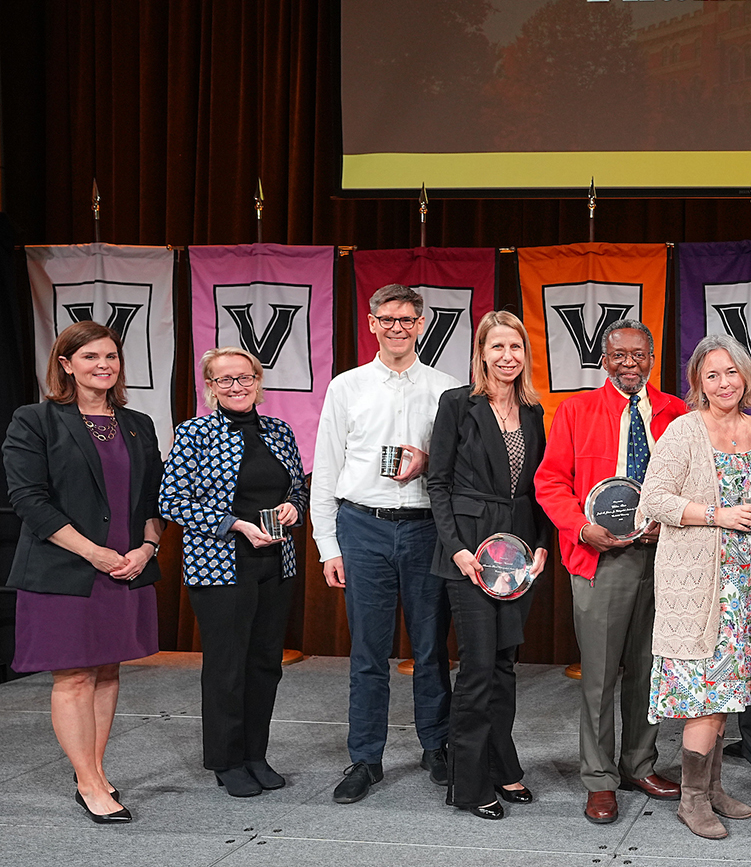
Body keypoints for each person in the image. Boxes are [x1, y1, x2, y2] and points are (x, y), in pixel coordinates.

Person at [4, 321, 164, 823]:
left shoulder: (138, 422)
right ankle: (90, 783)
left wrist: (147, 547)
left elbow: (153, 499)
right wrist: (93, 553)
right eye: (91, 356)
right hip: (64, 570)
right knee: (73, 675)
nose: (103, 365)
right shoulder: (35, 420)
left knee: (108, 670)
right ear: (66, 364)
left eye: (111, 357)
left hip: (125, 566)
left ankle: (91, 770)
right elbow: (28, 500)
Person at [534, 318, 687, 824]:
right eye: (619, 355)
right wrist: (581, 529)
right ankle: (599, 779)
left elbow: (690, 483)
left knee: (649, 668)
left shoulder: (675, 411)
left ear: (650, 358)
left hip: (663, 558)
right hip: (599, 558)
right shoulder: (576, 410)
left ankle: (639, 763)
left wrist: (669, 526)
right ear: (605, 359)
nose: (629, 364)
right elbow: (551, 482)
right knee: (599, 676)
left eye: (638, 355)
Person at [638, 335, 751, 840]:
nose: (723, 383)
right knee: (704, 697)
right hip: (702, 587)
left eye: (731, 373)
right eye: (711, 375)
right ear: (698, 385)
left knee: (728, 693)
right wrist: (717, 514)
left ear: (745, 377)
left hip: (750, 587)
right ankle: (693, 799)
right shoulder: (684, 431)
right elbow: (655, 499)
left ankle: (715, 788)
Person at [311, 284, 459, 804]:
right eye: (386, 319)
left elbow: (459, 469)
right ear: (371, 324)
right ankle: (365, 758)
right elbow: (327, 467)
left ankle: (436, 746)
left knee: (430, 649)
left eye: (407, 319)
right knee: (368, 653)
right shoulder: (345, 387)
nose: (397, 327)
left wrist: (429, 461)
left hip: (424, 528)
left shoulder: (447, 389)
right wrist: (327, 544)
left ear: (422, 324)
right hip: (362, 527)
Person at [159, 347, 307, 797]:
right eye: (225, 380)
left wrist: (292, 510)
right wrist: (236, 525)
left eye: (244, 378)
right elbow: (171, 501)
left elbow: (299, 487)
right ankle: (227, 760)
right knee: (228, 665)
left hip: (275, 563)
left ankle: (255, 754)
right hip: (220, 565)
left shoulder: (279, 431)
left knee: (265, 663)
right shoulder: (195, 433)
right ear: (211, 388)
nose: (237, 387)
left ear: (259, 382)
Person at [427, 311, 552, 820]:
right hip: (470, 553)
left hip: (517, 553)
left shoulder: (534, 410)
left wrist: (542, 544)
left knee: (504, 665)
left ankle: (502, 764)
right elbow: (437, 483)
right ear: (481, 353)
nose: (507, 357)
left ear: (526, 354)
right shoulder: (458, 404)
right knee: (477, 667)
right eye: (497, 347)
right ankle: (467, 781)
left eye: (516, 348)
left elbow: (540, 488)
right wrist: (456, 549)